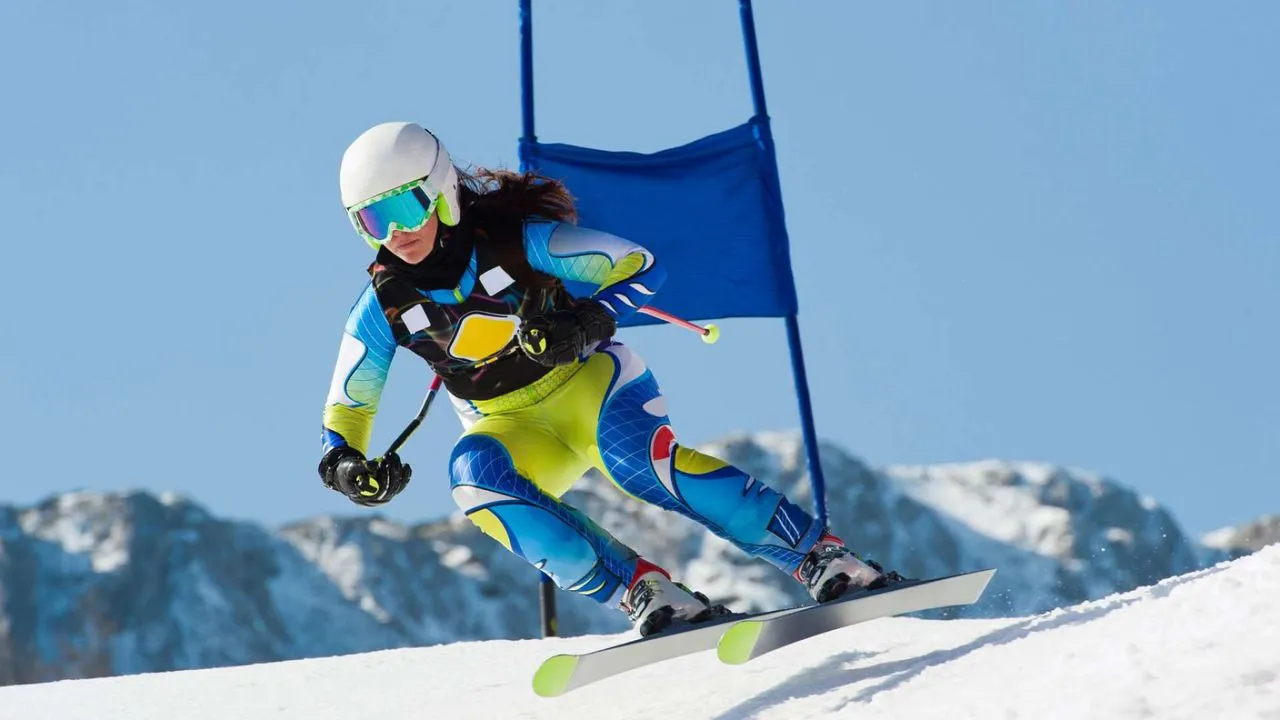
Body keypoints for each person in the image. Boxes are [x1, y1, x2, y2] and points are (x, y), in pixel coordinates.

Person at [318, 121, 902, 637]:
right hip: (514, 428)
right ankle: (644, 591)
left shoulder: (517, 244)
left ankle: (821, 557)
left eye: (405, 208)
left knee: (639, 468)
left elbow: (642, 265)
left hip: (591, 386)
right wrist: (349, 466)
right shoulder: (381, 306)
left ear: (440, 191)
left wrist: (585, 321)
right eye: (373, 219)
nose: (395, 232)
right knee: (474, 483)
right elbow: (345, 412)